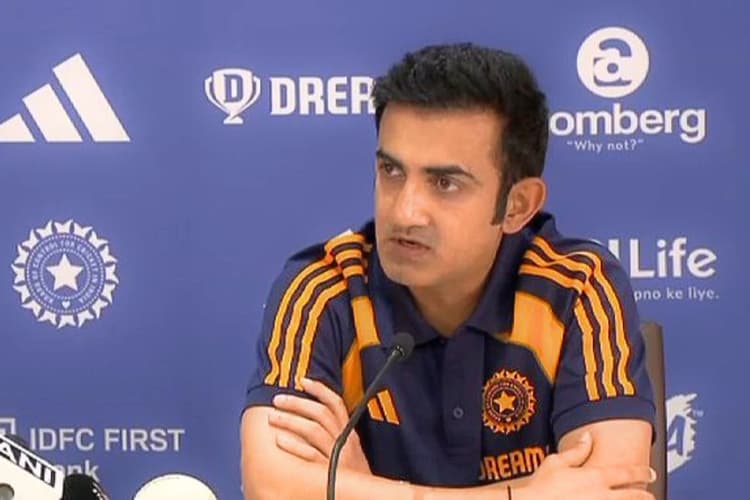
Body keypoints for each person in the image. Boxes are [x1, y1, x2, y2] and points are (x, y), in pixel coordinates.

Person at [240, 43, 656, 500]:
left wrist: (363, 491)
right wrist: (522, 496)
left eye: (445, 183)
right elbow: (271, 486)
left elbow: (614, 490)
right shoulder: (325, 286)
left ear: (517, 206)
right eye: (391, 171)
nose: (405, 211)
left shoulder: (578, 285)